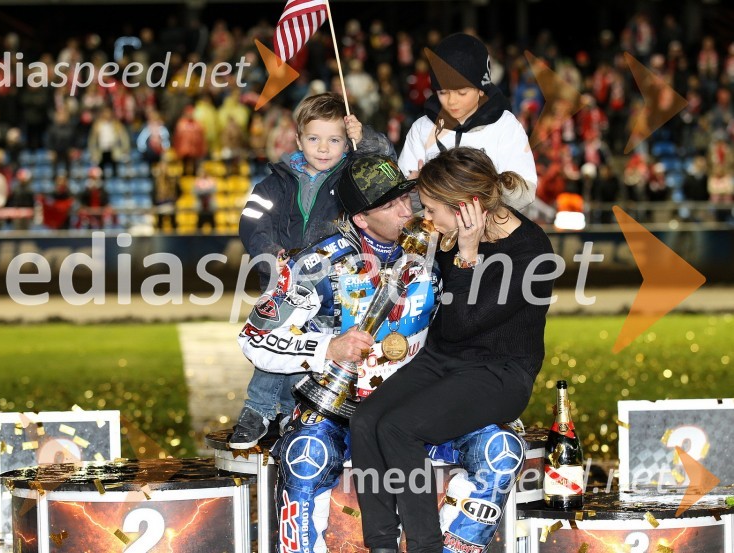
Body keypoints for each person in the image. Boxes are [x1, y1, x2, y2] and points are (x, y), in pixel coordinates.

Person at [351, 147, 557, 553]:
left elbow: (465, 323)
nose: (426, 217)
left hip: (499, 373)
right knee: (365, 420)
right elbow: (448, 329)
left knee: (398, 427)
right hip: (442, 359)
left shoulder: (531, 253)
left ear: (465, 208)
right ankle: (381, 545)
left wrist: (467, 255)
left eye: (431, 208)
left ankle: (424, 546)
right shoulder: (448, 237)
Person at [238, 154, 438, 552]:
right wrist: (327, 347)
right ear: (361, 218)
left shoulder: (435, 250)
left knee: (496, 448)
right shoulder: (318, 263)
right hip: (337, 411)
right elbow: (253, 337)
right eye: (391, 205)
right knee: (304, 456)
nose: (407, 210)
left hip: (418, 407)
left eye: (406, 198)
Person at [230, 92, 394, 449]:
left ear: (346, 143)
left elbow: (385, 168)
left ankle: (281, 410)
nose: (323, 148)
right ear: (298, 138)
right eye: (314, 138)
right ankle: (262, 410)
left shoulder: (352, 178)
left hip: (334, 284)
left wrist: (364, 139)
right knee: (279, 339)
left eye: (334, 140)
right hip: (283, 279)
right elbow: (252, 220)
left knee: (310, 348)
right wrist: (269, 252)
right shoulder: (275, 182)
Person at [398, 33, 537, 211]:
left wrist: (475, 193)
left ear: (481, 89)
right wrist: (413, 190)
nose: (451, 101)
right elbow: (402, 197)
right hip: (435, 227)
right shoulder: (423, 128)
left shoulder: (505, 126)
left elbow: (525, 191)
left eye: (461, 92)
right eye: (443, 92)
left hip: (491, 226)